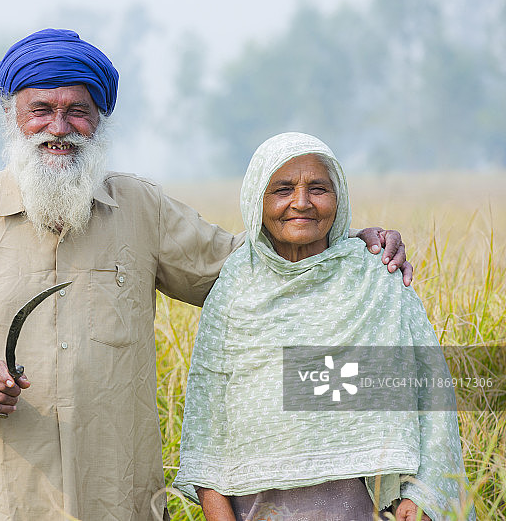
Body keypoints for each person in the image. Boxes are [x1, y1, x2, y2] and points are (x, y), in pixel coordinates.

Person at [0, 30, 412, 520]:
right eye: (40, 110)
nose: (59, 127)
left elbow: (248, 271)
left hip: (114, 494)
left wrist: (345, 245)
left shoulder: (140, 208)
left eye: (78, 111)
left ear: (100, 119)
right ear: (10, 115)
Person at [173, 132, 473, 521]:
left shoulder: (377, 278)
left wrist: (424, 498)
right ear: (255, 203)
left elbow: (432, 403)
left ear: (339, 199)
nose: (301, 202)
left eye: (318, 188)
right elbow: (205, 438)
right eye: (282, 189)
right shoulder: (234, 291)